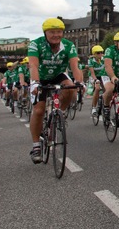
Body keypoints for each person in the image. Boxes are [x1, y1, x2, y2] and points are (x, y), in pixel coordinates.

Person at [27, 18, 83, 163]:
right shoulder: (36, 44)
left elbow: (75, 66)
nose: (56, 35)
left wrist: (79, 82)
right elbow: (33, 65)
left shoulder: (68, 45)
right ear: (45, 33)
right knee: (39, 111)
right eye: (52, 32)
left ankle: (61, 113)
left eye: (59, 32)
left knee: (70, 86)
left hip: (58, 75)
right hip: (40, 76)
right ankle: (36, 146)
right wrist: (34, 84)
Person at [88, 45, 105, 115]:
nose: (100, 54)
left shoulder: (104, 59)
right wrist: (96, 80)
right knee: (97, 88)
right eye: (98, 53)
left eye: (101, 52)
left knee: (108, 89)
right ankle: (94, 107)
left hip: (102, 76)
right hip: (93, 76)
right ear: (94, 54)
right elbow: (92, 73)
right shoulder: (91, 61)